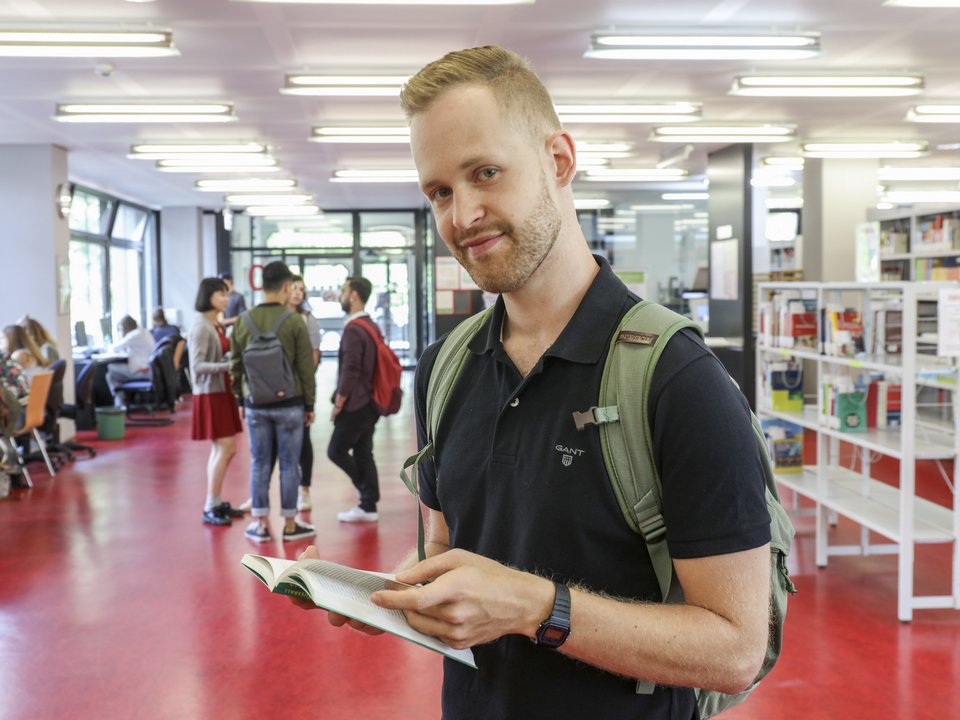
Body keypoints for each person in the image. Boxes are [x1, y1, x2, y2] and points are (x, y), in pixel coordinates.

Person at [297, 46, 771, 719]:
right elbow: (446, 548)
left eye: (485, 172)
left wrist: (536, 608)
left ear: (558, 161)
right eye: (439, 192)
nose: (462, 217)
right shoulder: (447, 367)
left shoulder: (678, 379)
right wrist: (388, 595)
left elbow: (734, 650)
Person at [230, 261, 316, 543]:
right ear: (285, 286)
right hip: (289, 404)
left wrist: (241, 398)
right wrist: (309, 405)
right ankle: (291, 524)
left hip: (256, 404)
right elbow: (305, 367)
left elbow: (236, 365)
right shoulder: (293, 320)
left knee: (259, 462)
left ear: (262, 285)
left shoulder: (243, 320)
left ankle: (260, 524)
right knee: (290, 464)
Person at [188, 278, 246, 527]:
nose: (227, 299)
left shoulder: (215, 324)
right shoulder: (201, 326)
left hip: (220, 391)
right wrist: (228, 365)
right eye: (222, 295)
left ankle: (215, 501)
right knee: (226, 449)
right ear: (210, 297)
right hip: (211, 393)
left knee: (222, 449)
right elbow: (197, 366)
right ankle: (211, 504)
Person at [328, 276, 382, 523]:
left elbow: (350, 370)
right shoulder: (371, 325)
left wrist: (339, 403)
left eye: (343, 289)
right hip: (371, 402)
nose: (340, 294)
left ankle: (366, 494)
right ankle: (368, 505)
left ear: (354, 296)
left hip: (356, 403)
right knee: (363, 452)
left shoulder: (353, 329)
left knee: (336, 450)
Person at [106, 316, 155, 405]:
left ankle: (119, 402)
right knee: (114, 375)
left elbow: (115, 348)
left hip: (142, 371)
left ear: (125, 327)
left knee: (109, 369)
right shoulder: (144, 332)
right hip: (150, 369)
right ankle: (122, 399)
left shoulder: (133, 335)